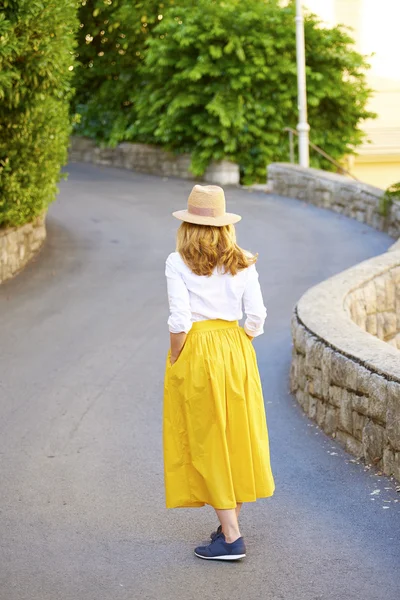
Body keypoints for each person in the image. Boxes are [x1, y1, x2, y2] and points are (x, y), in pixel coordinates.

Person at [163, 184, 275, 561]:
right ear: (226, 225)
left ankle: (231, 538)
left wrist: (177, 358)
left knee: (208, 438)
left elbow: (179, 319)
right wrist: (241, 341)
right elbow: (257, 316)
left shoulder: (177, 262)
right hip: (236, 347)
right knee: (238, 436)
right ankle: (231, 526)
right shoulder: (244, 259)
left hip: (197, 348)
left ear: (187, 226)